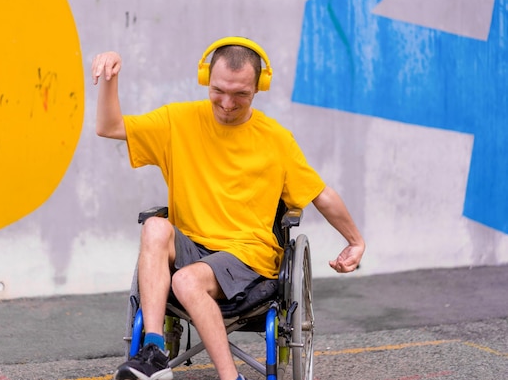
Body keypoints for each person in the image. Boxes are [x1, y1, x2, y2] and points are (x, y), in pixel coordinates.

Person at [92, 37, 365, 380]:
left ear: (258, 88)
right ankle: (154, 352)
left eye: (241, 94)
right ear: (206, 78)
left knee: (188, 281)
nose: (227, 102)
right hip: (193, 245)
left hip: (246, 256)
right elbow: (108, 127)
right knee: (155, 228)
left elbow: (319, 193)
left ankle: (229, 377)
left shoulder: (275, 139)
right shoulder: (178, 121)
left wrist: (355, 240)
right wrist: (111, 78)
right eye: (219, 90)